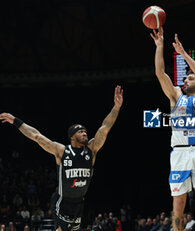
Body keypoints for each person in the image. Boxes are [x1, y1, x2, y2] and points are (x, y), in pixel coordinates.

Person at [0, 85, 123, 231]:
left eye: (85, 131)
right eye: (80, 132)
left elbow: (105, 127)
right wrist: (15, 121)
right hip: (62, 201)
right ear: (72, 136)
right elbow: (36, 136)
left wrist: (116, 107)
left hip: (79, 202)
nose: (85, 133)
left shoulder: (92, 149)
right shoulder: (61, 151)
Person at [150, 26, 195, 231]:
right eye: (185, 78)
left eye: (189, 78)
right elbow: (160, 73)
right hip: (179, 152)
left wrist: (184, 54)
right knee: (178, 204)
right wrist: (159, 46)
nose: (186, 80)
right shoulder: (176, 96)